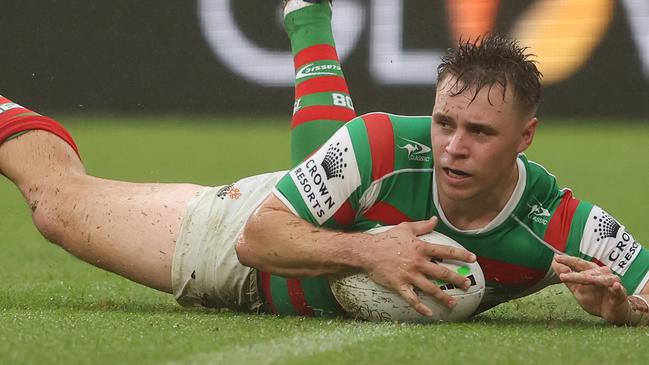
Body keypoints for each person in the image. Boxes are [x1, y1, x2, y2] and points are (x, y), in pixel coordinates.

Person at [0, 0, 647, 325]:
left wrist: (622, 309)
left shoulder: (553, 221)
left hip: (317, 208)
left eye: (479, 132)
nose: (452, 144)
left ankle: (308, 19)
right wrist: (372, 254)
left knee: (326, 165)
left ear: (525, 138)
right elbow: (258, 239)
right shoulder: (384, 144)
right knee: (57, 204)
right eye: (444, 121)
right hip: (244, 242)